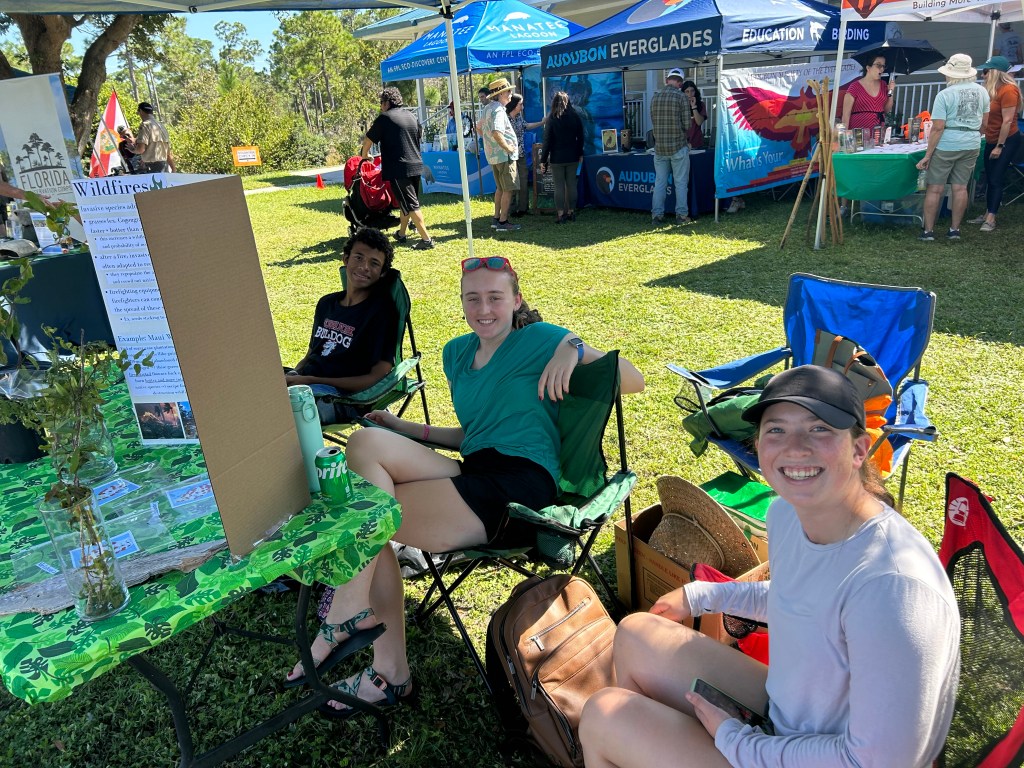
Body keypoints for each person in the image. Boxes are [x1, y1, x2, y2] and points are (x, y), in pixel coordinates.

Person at [285, 255, 645, 715]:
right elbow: (476, 434)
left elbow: (632, 380)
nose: (484, 309)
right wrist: (405, 427)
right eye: (473, 298)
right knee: (364, 445)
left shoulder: (541, 339)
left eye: (496, 297)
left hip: (519, 487)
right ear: (461, 303)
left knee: (369, 518)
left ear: (516, 300)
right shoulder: (456, 354)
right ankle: (366, 630)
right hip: (475, 469)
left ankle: (371, 646)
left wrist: (572, 346)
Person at [579, 364, 960, 768]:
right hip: (787, 716)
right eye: (777, 429)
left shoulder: (894, 588)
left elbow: (880, 761)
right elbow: (798, 598)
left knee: (604, 717)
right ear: (758, 444)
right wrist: (701, 594)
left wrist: (736, 740)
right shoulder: (789, 515)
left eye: (819, 429)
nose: (795, 447)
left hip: (832, 758)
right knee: (635, 632)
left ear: (859, 449)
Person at [283, 227, 399, 424]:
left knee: (279, 407)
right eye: (359, 258)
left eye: (374, 263)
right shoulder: (326, 304)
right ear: (346, 259)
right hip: (306, 385)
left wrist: (309, 381)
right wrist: (296, 375)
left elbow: (376, 379)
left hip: (343, 399)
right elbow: (311, 354)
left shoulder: (382, 313)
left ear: (382, 273)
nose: (364, 267)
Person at [915, 54, 989, 242]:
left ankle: (928, 231)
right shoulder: (982, 92)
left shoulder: (944, 95)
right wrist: (972, 134)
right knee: (960, 188)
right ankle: (954, 229)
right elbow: (985, 124)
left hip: (947, 144)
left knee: (935, 188)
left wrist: (928, 155)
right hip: (971, 142)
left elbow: (938, 127)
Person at [362, 87, 434, 250]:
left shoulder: (384, 118)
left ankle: (426, 240)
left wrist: (364, 155)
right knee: (405, 203)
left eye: (381, 102)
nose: (380, 106)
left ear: (387, 103)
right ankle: (401, 233)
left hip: (399, 168)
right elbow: (418, 136)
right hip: (416, 164)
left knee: (411, 204)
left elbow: (368, 140)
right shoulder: (411, 116)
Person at [968, 55, 1021, 233]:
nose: (982, 75)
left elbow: (1007, 121)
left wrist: (999, 146)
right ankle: (986, 213)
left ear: (996, 72)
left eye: (986, 71)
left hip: (1007, 140)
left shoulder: (1009, 90)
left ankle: (991, 218)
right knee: (990, 176)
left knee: (996, 177)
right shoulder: (991, 90)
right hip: (991, 138)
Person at [840, 55, 894, 216]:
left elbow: (887, 109)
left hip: (877, 130)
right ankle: (845, 205)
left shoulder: (883, 85)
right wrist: (845, 136)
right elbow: (845, 115)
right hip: (858, 131)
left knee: (876, 165)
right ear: (868, 67)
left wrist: (891, 92)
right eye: (878, 65)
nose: (881, 69)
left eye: (883, 66)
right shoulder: (855, 87)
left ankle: (871, 201)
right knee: (854, 167)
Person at [650, 68, 693, 226]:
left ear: (667, 80)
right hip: (678, 147)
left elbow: (653, 121)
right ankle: (681, 216)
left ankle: (657, 215)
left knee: (660, 183)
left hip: (660, 148)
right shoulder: (682, 97)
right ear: (680, 83)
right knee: (680, 183)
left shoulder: (655, 97)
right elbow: (687, 125)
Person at [479, 78, 521, 233]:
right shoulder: (498, 110)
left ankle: (496, 219)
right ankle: (503, 222)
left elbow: (479, 127)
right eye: (509, 91)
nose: (511, 94)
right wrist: (508, 148)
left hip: (494, 156)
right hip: (504, 156)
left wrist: (490, 143)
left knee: (500, 188)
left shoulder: (488, 108)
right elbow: (497, 132)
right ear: (501, 93)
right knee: (508, 189)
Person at [539, 91, 585, 225]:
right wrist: (580, 153)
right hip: (572, 156)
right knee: (571, 185)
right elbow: (581, 137)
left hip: (557, 158)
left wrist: (543, 160)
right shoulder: (575, 116)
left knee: (558, 187)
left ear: (554, 103)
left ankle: (560, 214)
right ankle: (571, 212)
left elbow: (547, 141)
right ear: (568, 102)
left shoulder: (552, 118)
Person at [506, 93, 544, 218]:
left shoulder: (519, 117)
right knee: (512, 182)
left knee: (523, 180)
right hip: (509, 156)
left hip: (521, 154)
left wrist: (541, 123)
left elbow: (526, 126)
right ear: (514, 105)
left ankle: (523, 208)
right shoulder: (505, 118)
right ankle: (511, 209)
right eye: (520, 104)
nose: (522, 107)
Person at [131, 101, 175, 173]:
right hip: (164, 167)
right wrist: (173, 169)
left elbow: (141, 149)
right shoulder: (161, 126)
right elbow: (168, 153)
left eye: (138, 112)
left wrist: (132, 150)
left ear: (141, 111)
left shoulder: (145, 125)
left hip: (152, 168)